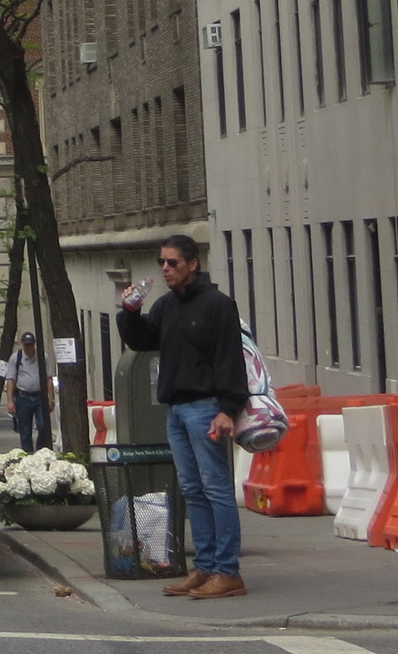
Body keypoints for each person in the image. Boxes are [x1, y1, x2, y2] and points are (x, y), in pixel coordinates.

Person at [116, 233, 249, 601]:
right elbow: (144, 342)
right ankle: (205, 567)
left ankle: (227, 571)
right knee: (191, 489)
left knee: (216, 489)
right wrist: (130, 313)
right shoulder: (166, 306)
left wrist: (228, 409)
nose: (165, 269)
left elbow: (229, 358)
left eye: (173, 262)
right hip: (176, 409)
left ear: (193, 263)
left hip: (206, 407)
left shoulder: (217, 305)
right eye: (162, 262)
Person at [0, 332, 48, 452]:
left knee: (43, 426)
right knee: (25, 431)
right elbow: (10, 380)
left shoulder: (42, 356)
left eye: (30, 345)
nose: (28, 347)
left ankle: (40, 452)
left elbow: (49, 378)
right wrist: (10, 401)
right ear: (22, 344)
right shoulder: (16, 358)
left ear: (34, 344)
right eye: (26, 345)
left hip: (39, 397)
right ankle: (28, 454)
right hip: (23, 397)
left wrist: (50, 398)